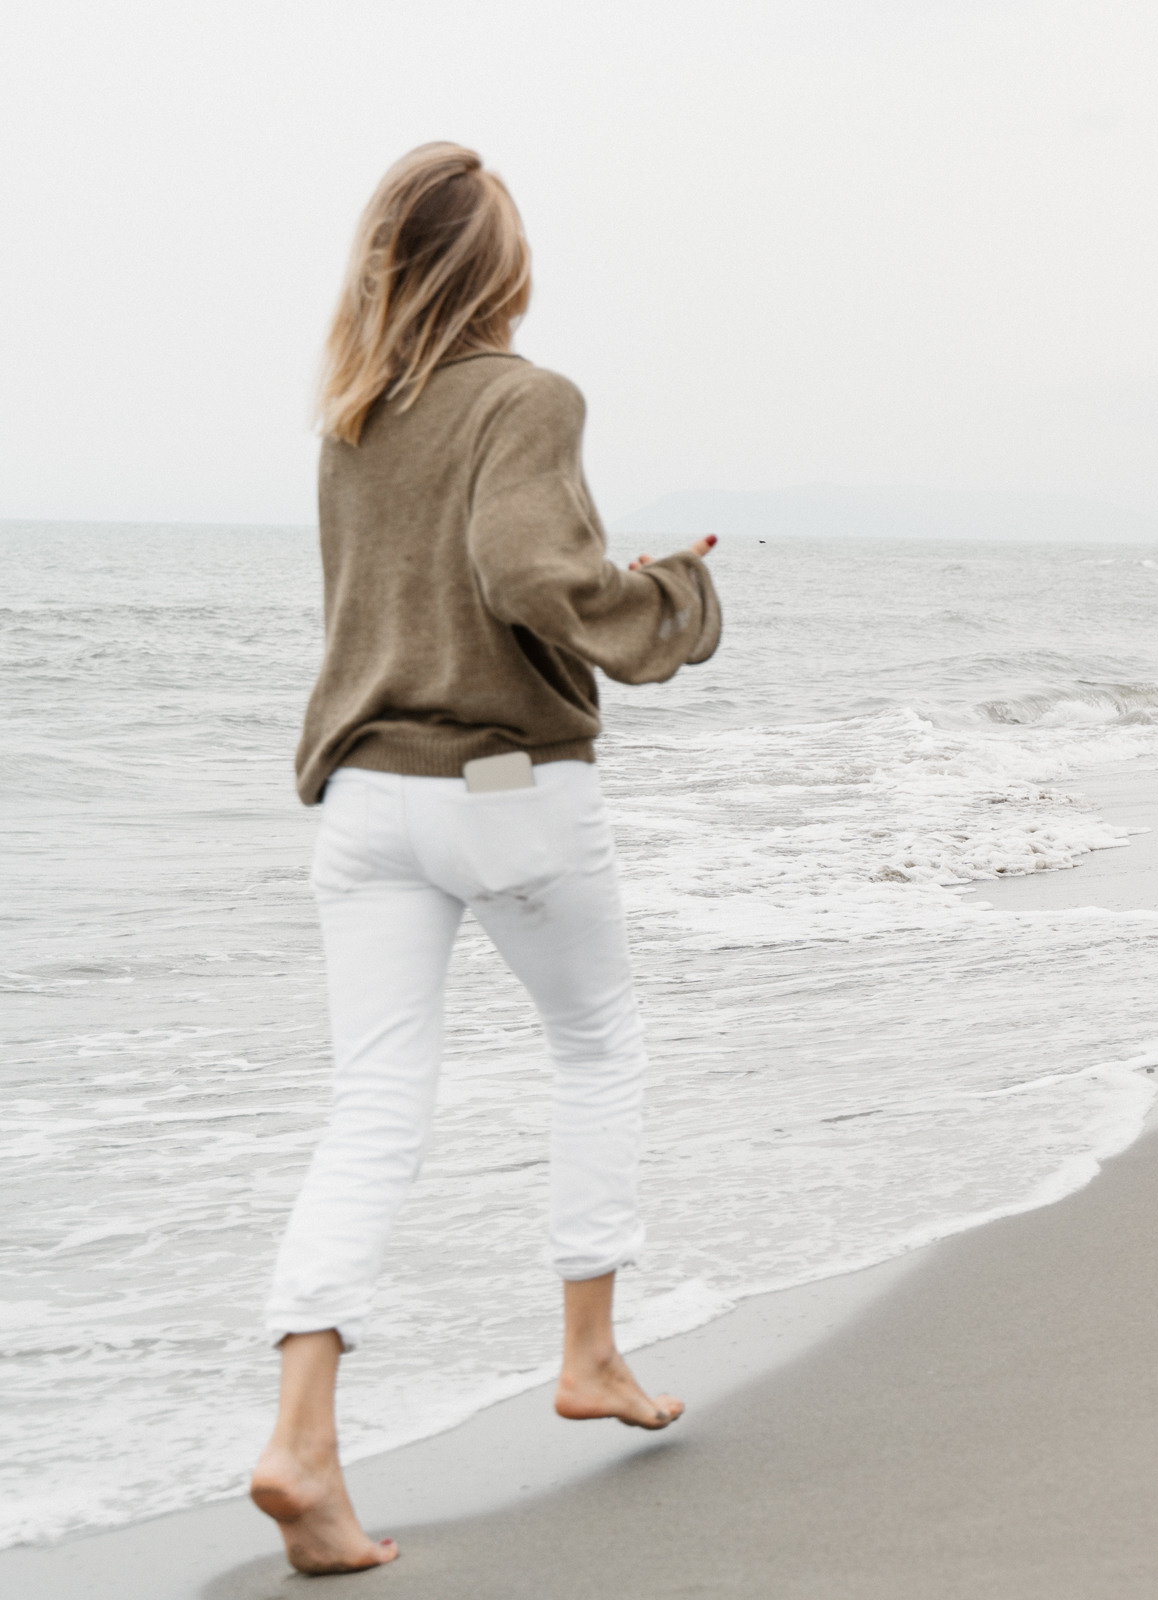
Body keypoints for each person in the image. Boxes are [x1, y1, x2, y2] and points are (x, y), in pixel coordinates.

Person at [247, 142, 722, 1575]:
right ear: (497, 268)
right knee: (597, 1044)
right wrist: (670, 601)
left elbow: (431, 591)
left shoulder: (351, 419)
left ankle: (301, 1441)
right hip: (504, 789)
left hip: (364, 802)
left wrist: (580, 580)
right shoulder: (531, 396)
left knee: (373, 1106)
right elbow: (526, 578)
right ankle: (590, 1356)